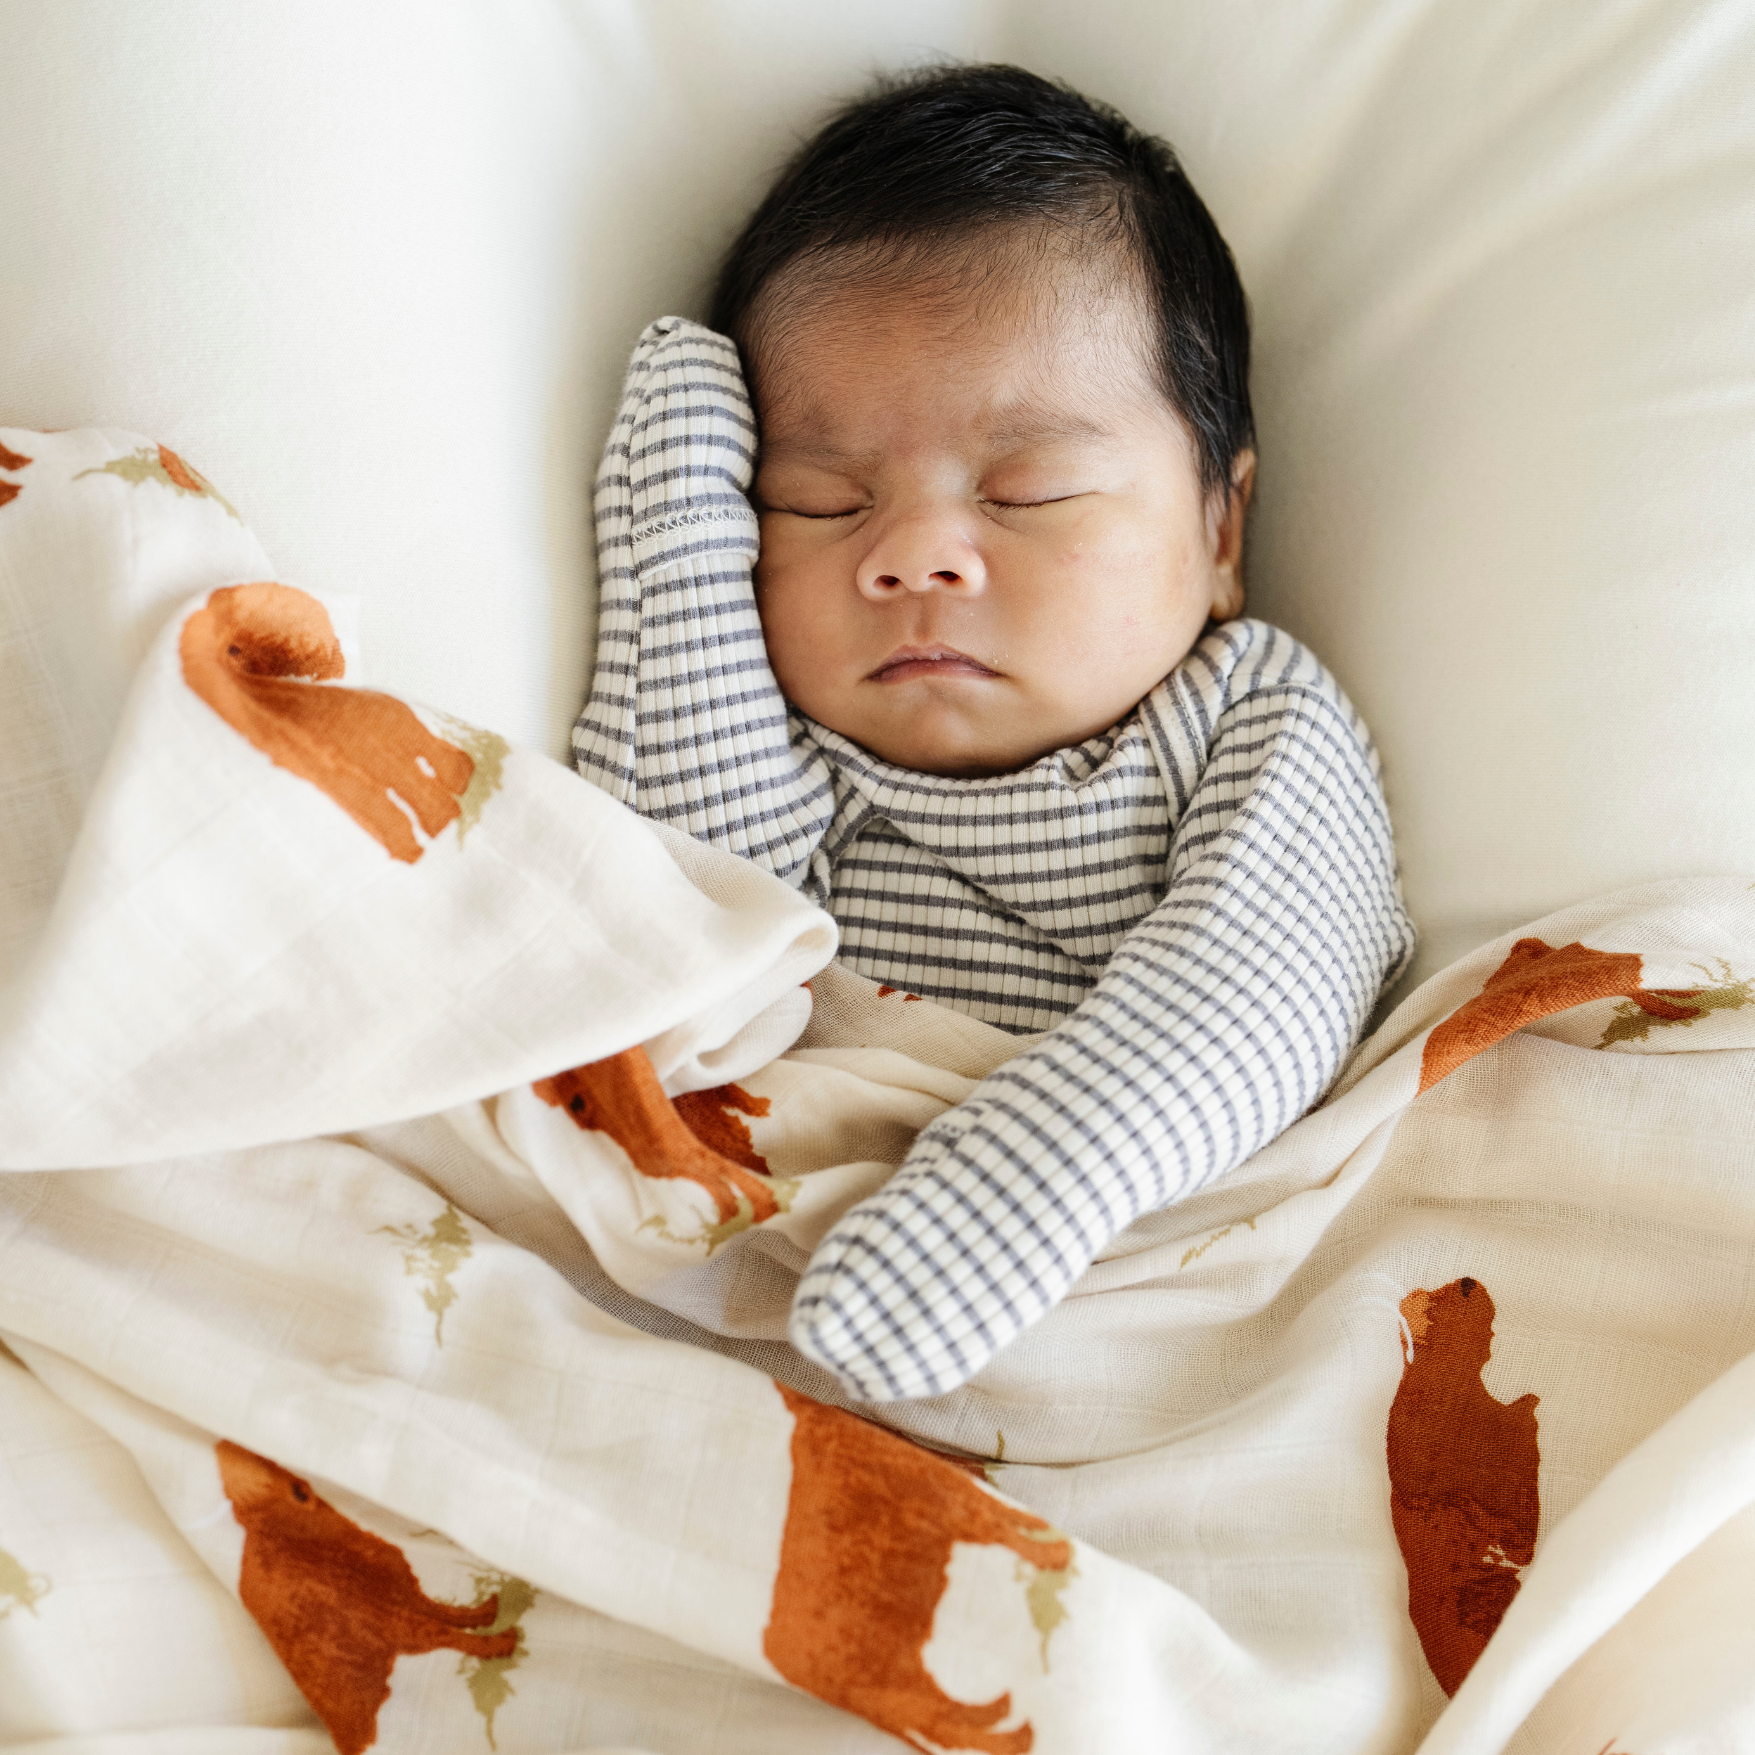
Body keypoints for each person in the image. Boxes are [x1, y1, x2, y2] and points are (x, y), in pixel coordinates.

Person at [574, 63, 1415, 1402]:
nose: (913, 555)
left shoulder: (1245, 716)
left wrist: (1004, 1199)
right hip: (772, 1286)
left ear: (1218, 531)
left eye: (1026, 491)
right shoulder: (792, 753)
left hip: (1105, 1250)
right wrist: (680, 486)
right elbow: (679, 935)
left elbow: (1257, 990)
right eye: (815, 499)